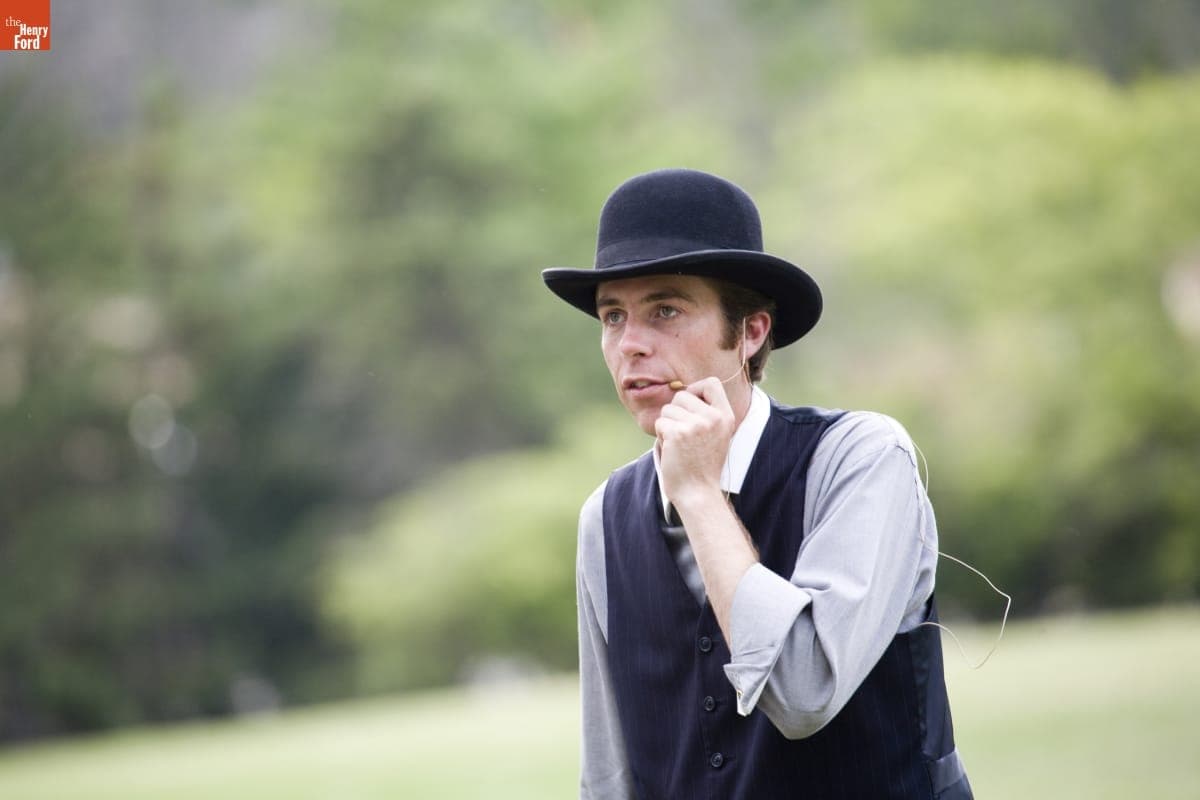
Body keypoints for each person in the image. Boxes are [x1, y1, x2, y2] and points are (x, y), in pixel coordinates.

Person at [542, 168, 973, 799]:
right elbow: (608, 778)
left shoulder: (860, 458)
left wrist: (699, 494)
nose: (630, 344)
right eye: (613, 316)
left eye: (665, 310)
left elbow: (803, 693)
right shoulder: (604, 518)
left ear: (751, 332)